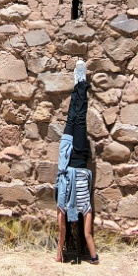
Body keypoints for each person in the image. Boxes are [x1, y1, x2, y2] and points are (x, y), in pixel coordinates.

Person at [55, 60, 98, 264]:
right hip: (79, 159)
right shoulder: (86, 211)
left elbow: (61, 231)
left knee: (71, 118)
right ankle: (82, 84)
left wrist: (58, 255)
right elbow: (88, 236)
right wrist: (94, 258)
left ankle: (77, 84)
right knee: (80, 119)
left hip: (66, 160)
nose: (73, 222)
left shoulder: (63, 206)